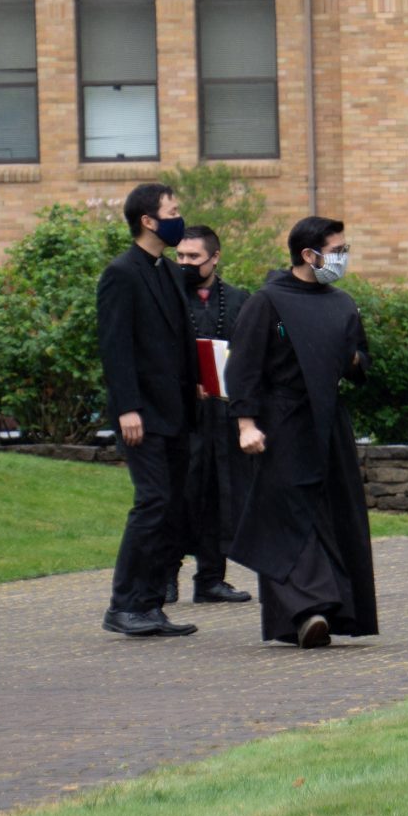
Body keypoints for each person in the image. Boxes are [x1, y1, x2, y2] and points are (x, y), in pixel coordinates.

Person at [224, 216, 377, 649]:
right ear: (309, 255)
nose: (343, 258)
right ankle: (308, 608)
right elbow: (244, 367)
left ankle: (328, 609)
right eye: (337, 250)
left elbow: (360, 356)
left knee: (333, 512)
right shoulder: (268, 304)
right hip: (282, 422)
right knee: (289, 513)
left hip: (329, 423)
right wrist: (246, 424)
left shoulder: (342, 302)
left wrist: (351, 362)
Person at [95, 182, 199, 638]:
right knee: (152, 501)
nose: (180, 217)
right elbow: (116, 347)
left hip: (176, 411)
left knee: (172, 505)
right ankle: (123, 605)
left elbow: (178, 340)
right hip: (143, 414)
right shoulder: (121, 273)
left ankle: (150, 604)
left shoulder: (167, 272)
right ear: (148, 221)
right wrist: (127, 408)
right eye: (173, 211)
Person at [169, 225, 254, 605]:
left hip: (222, 414)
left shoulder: (239, 299)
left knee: (221, 495)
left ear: (215, 257)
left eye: (193, 257)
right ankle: (165, 576)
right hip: (181, 415)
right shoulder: (167, 296)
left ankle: (211, 578)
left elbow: (253, 351)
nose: (185, 264)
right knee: (178, 495)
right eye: (181, 256)